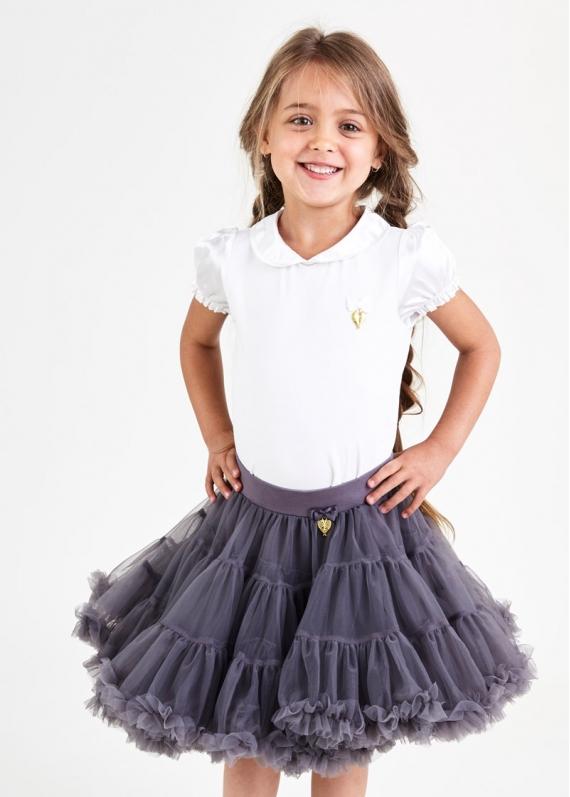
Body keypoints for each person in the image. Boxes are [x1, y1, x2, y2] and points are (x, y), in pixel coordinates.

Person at [72, 26, 537, 797]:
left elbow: (481, 345)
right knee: (244, 727)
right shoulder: (234, 258)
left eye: (349, 124)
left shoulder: (402, 258)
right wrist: (218, 436)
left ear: (379, 149)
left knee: (342, 731)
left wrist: (438, 451)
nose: (322, 140)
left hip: (363, 536)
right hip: (252, 537)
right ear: (264, 136)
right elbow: (196, 342)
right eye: (300, 119)